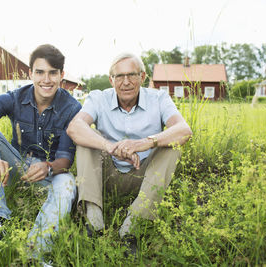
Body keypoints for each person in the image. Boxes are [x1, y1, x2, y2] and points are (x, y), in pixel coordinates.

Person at [66, 52, 192, 252]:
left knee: (172, 146)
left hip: (144, 175)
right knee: (86, 137)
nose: (126, 82)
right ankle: (94, 216)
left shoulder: (159, 98)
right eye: (119, 76)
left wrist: (144, 143)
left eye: (132, 75)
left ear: (142, 77)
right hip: (107, 175)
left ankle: (134, 224)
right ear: (111, 80)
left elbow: (184, 131)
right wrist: (110, 147)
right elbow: (74, 127)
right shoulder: (98, 98)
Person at [0, 44, 81, 258]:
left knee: (68, 182)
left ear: (61, 75)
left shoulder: (72, 108)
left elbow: (65, 158)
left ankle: (35, 250)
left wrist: (48, 167)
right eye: (40, 72)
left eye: (53, 73)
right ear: (30, 74)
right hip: (16, 167)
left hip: (49, 174)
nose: (46, 80)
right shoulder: (16, 97)